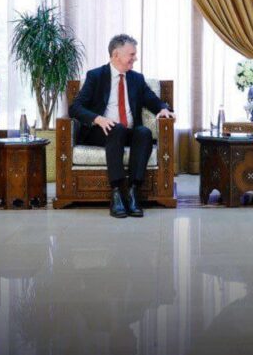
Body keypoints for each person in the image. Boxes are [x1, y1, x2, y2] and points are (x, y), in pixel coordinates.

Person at [69, 34, 174, 219]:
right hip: (101, 132)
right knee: (116, 128)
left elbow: (152, 100)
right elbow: (75, 108)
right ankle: (117, 192)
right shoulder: (96, 76)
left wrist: (163, 109)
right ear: (116, 55)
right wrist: (97, 119)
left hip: (128, 132)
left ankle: (133, 192)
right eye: (132, 54)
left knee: (144, 132)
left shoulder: (136, 79)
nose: (135, 58)